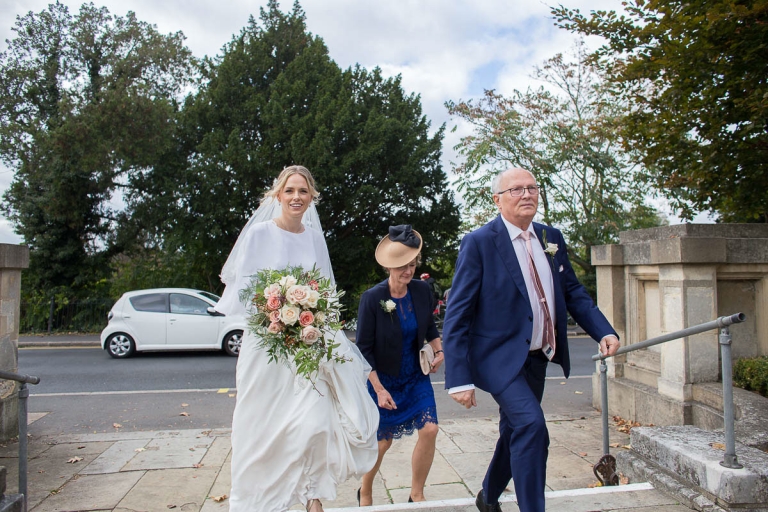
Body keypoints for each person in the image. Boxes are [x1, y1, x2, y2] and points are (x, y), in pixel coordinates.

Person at [442, 168, 620, 512]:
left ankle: (489, 496)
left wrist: (604, 330)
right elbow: (458, 313)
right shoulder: (479, 242)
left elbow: (573, 292)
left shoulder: (551, 237)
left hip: (539, 356)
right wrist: (458, 378)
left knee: (516, 431)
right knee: (532, 427)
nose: (526, 194)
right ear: (497, 200)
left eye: (532, 188)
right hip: (497, 358)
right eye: (516, 190)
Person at [215, 166, 379, 512]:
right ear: (278, 194)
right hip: (267, 343)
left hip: (306, 343)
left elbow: (324, 290)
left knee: (315, 421)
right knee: (263, 425)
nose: (296, 197)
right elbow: (245, 290)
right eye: (289, 191)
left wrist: (314, 317)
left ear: (311, 197)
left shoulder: (314, 237)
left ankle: (311, 496)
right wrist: (276, 313)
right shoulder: (259, 234)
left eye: (303, 191)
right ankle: (258, 499)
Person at [355, 225, 444, 505]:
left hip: (416, 376)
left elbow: (429, 327)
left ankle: (416, 493)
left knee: (430, 429)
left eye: (413, 264)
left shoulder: (421, 290)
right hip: (384, 381)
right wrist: (379, 390)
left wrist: (439, 351)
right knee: (383, 442)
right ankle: (366, 490)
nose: (409, 271)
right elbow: (363, 351)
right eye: (403, 266)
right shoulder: (372, 298)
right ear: (390, 267)